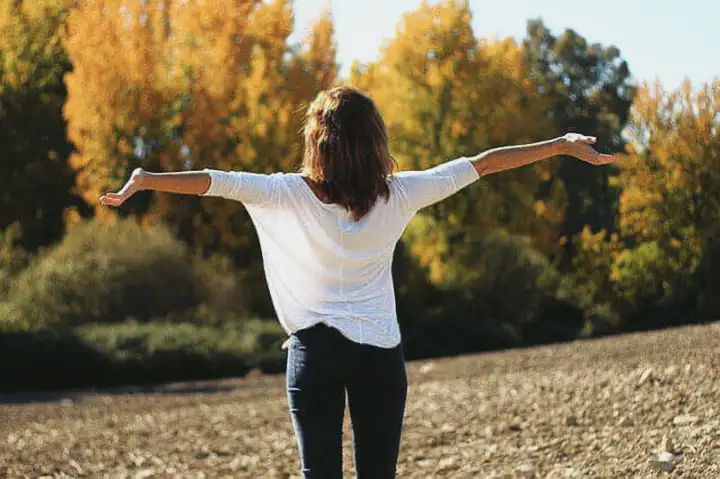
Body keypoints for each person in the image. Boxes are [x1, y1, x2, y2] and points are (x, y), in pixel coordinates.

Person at [101, 86, 615, 478]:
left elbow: (214, 181)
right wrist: (559, 146)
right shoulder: (402, 194)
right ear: (375, 144)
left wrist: (147, 180)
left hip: (315, 356)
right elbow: (482, 164)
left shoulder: (285, 193)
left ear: (316, 144)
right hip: (380, 358)